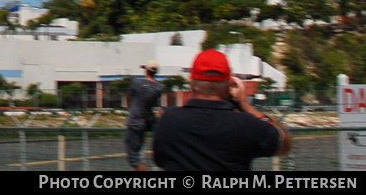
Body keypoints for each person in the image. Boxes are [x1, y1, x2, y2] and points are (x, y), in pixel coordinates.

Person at [153, 48, 291, 171]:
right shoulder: (246, 124)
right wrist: (246, 105)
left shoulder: (169, 120)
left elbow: (160, 160)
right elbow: (284, 143)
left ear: (192, 83)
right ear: (230, 84)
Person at [125, 59, 165, 170]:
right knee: (140, 150)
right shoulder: (159, 88)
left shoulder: (137, 83)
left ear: (146, 71)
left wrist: (130, 109)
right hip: (146, 121)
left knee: (134, 157)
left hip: (134, 120)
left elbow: (129, 97)